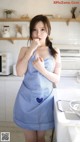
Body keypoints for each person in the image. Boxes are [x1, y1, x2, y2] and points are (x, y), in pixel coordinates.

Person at [13, 14, 61, 142]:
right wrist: (31, 49)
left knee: (41, 138)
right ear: (30, 32)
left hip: (45, 101)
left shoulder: (55, 52)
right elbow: (19, 72)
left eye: (42, 29)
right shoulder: (24, 50)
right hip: (26, 99)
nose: (38, 33)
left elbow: (56, 79)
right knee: (30, 138)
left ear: (48, 31)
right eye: (34, 29)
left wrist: (42, 70)